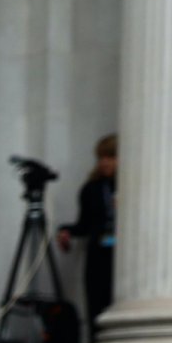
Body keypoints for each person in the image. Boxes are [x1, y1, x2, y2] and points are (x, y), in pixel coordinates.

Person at [57, 132, 118, 327]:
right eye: (101, 158)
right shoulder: (91, 189)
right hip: (99, 253)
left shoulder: (135, 185)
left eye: (110, 157)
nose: (104, 163)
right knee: (96, 303)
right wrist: (66, 231)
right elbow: (84, 225)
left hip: (124, 255)